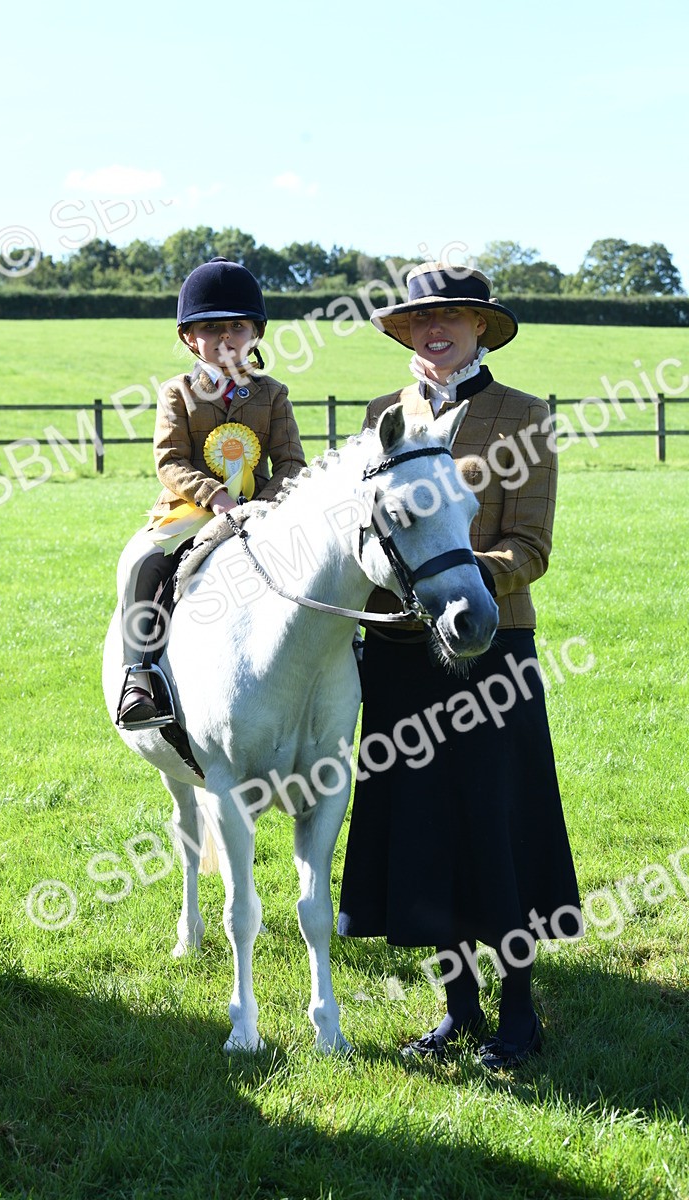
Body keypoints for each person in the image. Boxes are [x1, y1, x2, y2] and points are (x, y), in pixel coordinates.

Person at [337, 261, 582, 1070]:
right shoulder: (381, 419)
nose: (433, 330)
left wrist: (457, 584)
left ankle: (520, 1015)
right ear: (406, 332)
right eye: (418, 320)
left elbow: (532, 549)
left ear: (482, 327)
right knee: (423, 831)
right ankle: (458, 1008)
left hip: (491, 651)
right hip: (401, 657)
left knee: (494, 829)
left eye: (451, 317)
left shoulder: (525, 418)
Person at [116, 257, 306, 727]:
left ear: (256, 334)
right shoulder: (176, 392)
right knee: (142, 562)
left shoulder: (273, 394)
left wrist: (262, 506)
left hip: (263, 511)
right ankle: (139, 676)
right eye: (212, 327)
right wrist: (216, 498)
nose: (226, 338)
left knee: (319, 555)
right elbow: (169, 461)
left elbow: (291, 463)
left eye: (238, 327)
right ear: (188, 336)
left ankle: (346, 650)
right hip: (191, 510)